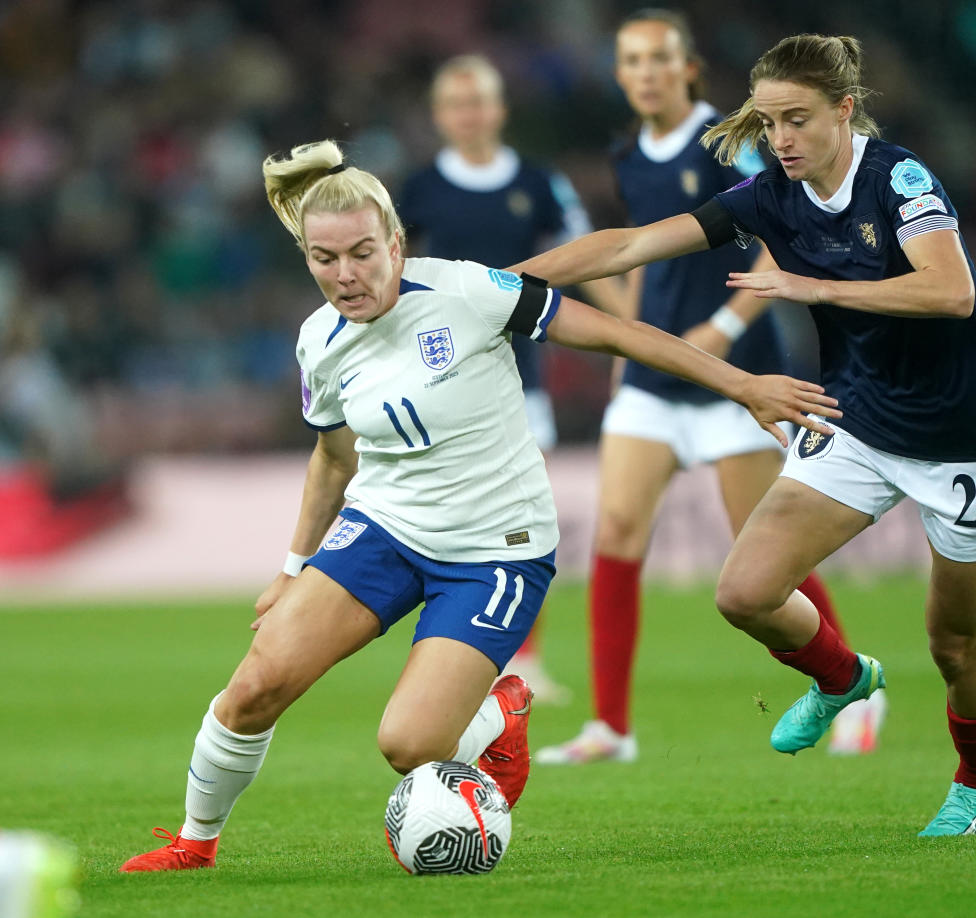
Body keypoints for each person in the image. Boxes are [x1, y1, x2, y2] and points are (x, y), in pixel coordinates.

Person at [119, 139, 839, 871]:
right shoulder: (319, 342)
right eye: (324, 259)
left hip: (496, 550)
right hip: (383, 530)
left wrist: (742, 384)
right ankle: (193, 844)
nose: (345, 276)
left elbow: (620, 334)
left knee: (410, 745)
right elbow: (333, 458)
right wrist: (292, 565)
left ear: (397, 242)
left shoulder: (469, 292)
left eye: (363, 253)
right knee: (254, 685)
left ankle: (503, 709)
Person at [514, 33, 976, 835]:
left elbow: (952, 293)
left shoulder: (898, 178)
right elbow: (630, 243)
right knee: (744, 592)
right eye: (768, 123)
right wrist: (504, 282)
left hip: (966, 437)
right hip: (856, 421)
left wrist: (806, 284)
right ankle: (842, 678)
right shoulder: (767, 195)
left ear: (844, 111)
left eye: (797, 120)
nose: (781, 140)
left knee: (955, 648)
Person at [535, 9, 882, 766]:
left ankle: (854, 679)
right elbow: (636, 254)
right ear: (621, 74)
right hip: (656, 381)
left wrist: (724, 329)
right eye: (632, 60)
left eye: (660, 58)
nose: (647, 72)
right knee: (617, 537)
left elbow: (781, 242)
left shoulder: (741, 142)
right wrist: (630, 335)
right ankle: (611, 728)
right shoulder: (628, 151)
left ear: (689, 68)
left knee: (767, 557)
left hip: (737, 379)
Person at [397, 54, 623, 703]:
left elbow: (588, 257)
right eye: (457, 104)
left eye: (481, 101)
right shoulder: (416, 191)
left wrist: (629, 332)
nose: (470, 114)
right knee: (440, 513)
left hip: (520, 375)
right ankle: (447, 656)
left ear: (499, 110)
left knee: (526, 517)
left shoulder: (538, 181)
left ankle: (525, 659)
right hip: (435, 375)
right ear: (442, 116)